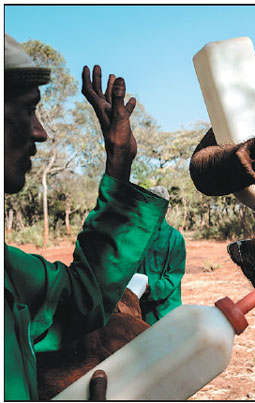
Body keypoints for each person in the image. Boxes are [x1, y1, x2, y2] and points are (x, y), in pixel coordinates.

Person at [4, 33, 169, 400]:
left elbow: (79, 299)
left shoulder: (9, 271)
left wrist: (119, 161)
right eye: (27, 109)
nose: (40, 132)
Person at [137, 186, 186, 325]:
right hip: (138, 311)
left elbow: (174, 275)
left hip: (166, 312)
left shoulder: (174, 238)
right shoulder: (137, 237)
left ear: (166, 210)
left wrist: (151, 289)